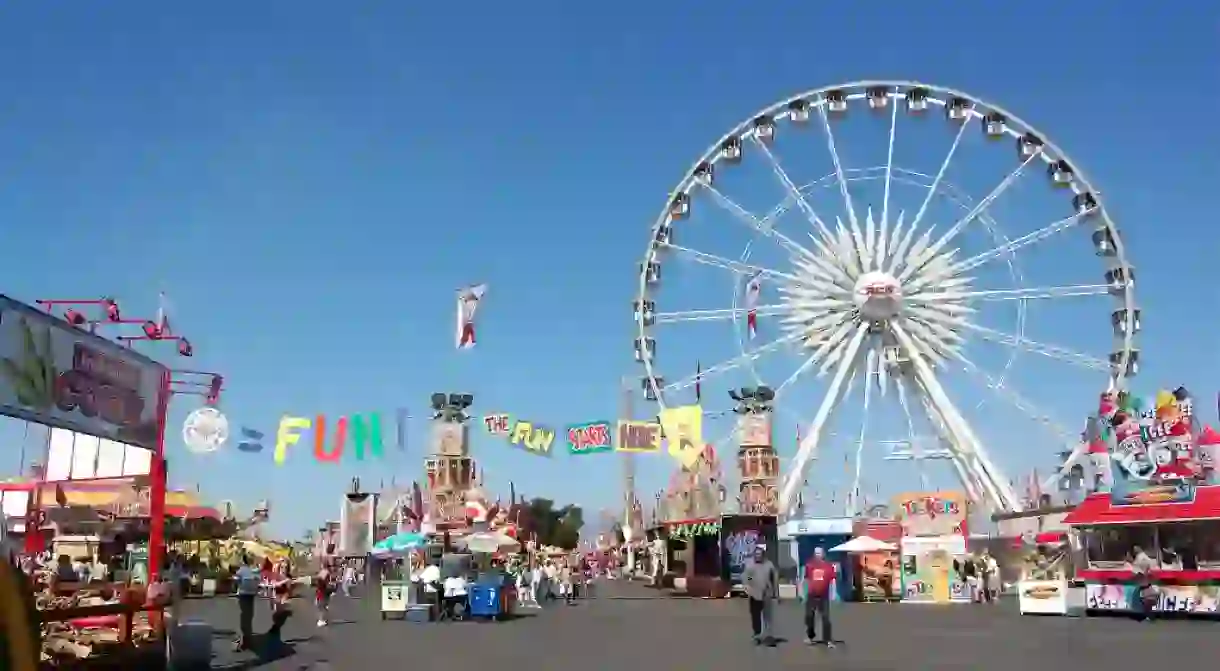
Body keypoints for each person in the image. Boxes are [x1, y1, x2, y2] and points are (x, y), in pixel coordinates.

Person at [740, 545, 778, 646]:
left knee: (767, 616)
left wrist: (776, 593)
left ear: (763, 555)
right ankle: (757, 635)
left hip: (767, 594)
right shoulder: (750, 565)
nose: (758, 556)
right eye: (756, 554)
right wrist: (748, 585)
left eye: (759, 554)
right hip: (754, 594)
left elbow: (774, 579)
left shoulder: (769, 565)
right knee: (755, 616)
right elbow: (745, 577)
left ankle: (768, 636)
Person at [803, 546, 836, 648]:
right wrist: (802, 592)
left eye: (819, 553)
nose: (817, 555)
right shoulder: (809, 565)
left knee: (826, 618)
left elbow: (833, 580)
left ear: (823, 554)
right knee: (809, 616)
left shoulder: (828, 566)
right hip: (811, 596)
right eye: (816, 553)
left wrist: (833, 593)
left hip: (824, 596)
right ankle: (810, 636)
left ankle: (828, 640)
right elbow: (805, 579)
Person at [233, 555, 261, 651]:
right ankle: (248, 639)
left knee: (243, 617)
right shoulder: (253, 570)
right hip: (251, 595)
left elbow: (236, 581)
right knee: (249, 616)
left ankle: (243, 641)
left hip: (243, 595)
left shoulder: (241, 570)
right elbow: (258, 581)